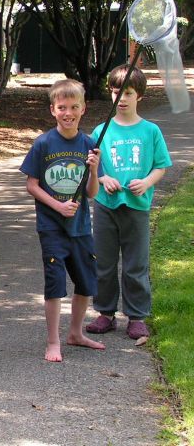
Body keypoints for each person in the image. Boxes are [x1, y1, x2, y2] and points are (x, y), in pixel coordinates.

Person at [19, 79, 105, 362]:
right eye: (62, 107)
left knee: (85, 282)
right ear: (53, 110)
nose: (68, 112)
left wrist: (93, 171)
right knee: (55, 283)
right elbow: (32, 184)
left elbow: (92, 193)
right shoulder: (44, 143)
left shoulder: (89, 144)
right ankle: (53, 340)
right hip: (52, 227)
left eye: (74, 107)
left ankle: (76, 333)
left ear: (83, 108)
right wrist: (58, 205)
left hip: (80, 227)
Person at [85, 65, 172, 339]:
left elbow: (161, 166)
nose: (121, 99)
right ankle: (105, 312)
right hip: (105, 205)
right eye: (115, 92)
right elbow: (91, 164)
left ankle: (136, 316)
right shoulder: (101, 130)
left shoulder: (150, 131)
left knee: (136, 264)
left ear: (140, 96)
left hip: (137, 206)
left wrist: (146, 182)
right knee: (104, 262)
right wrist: (103, 176)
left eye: (128, 93)